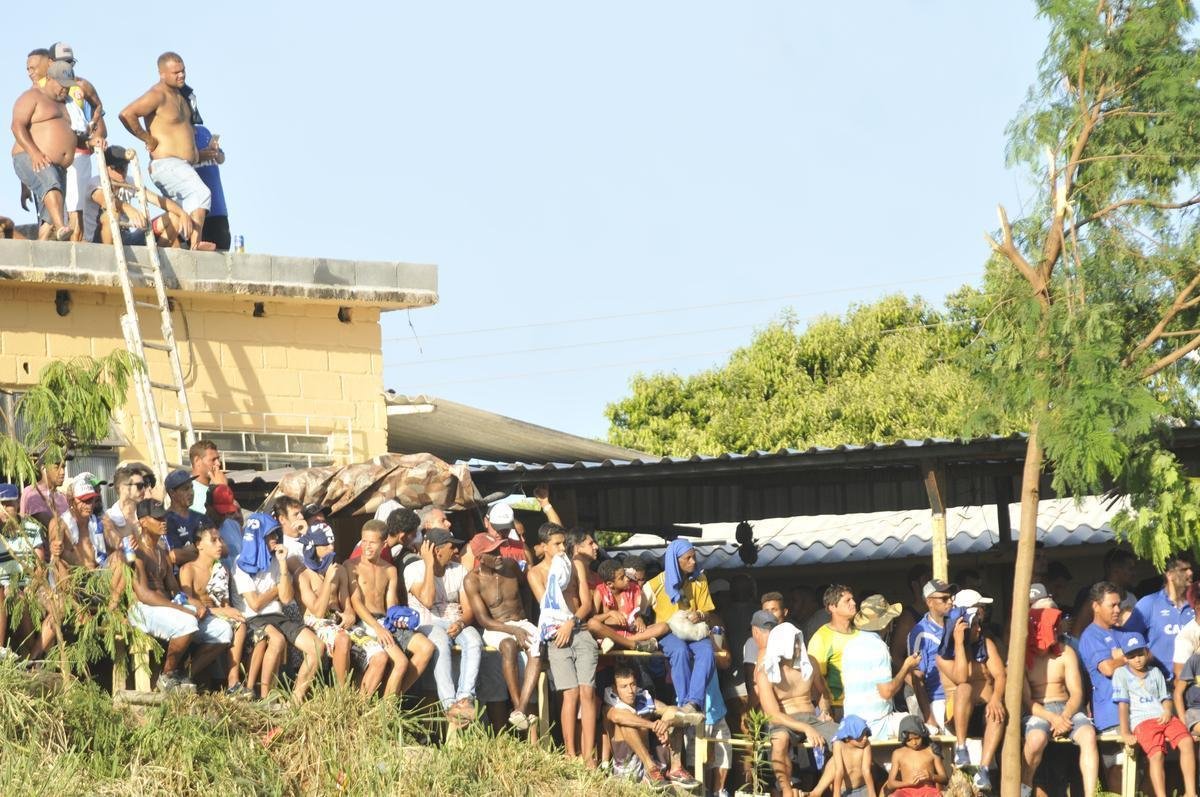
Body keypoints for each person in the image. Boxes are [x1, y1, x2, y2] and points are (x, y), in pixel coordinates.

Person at [118, 52, 210, 250]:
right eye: (176, 72)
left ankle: (176, 244)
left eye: (183, 70)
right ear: (162, 74)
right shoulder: (157, 94)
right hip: (167, 164)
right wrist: (147, 138)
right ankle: (196, 244)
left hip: (184, 166)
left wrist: (204, 154)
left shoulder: (183, 96)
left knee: (183, 209)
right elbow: (126, 114)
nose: (181, 75)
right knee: (202, 193)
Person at [232, 512, 321, 703]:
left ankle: (295, 700)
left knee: (317, 647)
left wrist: (282, 565)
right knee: (277, 639)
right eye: (270, 535)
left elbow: (287, 598)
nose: (275, 539)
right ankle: (266, 697)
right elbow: (255, 604)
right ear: (258, 536)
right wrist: (277, 589)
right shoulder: (241, 563)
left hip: (278, 615)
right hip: (254, 619)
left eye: (276, 535)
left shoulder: (276, 560)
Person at [529, 522, 599, 764]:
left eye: (562, 543)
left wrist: (572, 622)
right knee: (569, 694)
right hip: (556, 635)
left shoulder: (576, 564)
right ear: (543, 547)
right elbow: (546, 606)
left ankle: (589, 757)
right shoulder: (535, 573)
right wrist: (563, 625)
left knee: (587, 692)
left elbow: (586, 604)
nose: (561, 547)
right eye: (556, 544)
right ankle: (571, 755)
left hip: (578, 630)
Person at [463, 532, 542, 732]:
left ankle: (520, 709)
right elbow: (484, 620)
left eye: (499, 549)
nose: (499, 554)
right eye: (493, 552)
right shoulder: (472, 580)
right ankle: (518, 706)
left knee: (537, 645)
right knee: (509, 645)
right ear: (480, 558)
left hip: (522, 622)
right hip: (496, 627)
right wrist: (513, 630)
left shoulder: (511, 566)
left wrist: (527, 622)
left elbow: (526, 589)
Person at [348, 519, 434, 698]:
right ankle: (385, 712)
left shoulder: (390, 570)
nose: (367, 547)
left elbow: (391, 604)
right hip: (364, 622)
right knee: (401, 662)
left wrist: (399, 617)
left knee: (426, 647)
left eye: (372, 542)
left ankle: (390, 699)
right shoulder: (351, 566)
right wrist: (378, 628)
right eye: (364, 541)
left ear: (384, 543)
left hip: (384, 621)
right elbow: (356, 602)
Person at [404, 528, 481, 724]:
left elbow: (469, 609)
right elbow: (428, 601)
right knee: (440, 641)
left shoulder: (459, 569)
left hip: (455, 621)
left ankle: (465, 697)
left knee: (474, 640)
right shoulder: (413, 569)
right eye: (451, 546)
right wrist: (429, 565)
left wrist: (462, 622)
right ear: (436, 551)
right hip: (427, 623)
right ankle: (449, 703)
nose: (456, 550)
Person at [1022, 604, 1098, 797]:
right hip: (1038, 710)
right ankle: (1025, 786)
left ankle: (1090, 794)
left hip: (1067, 708)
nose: (1055, 634)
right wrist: (1052, 718)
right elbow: (1027, 701)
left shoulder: (1066, 652)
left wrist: (1064, 715)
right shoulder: (1022, 658)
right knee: (1036, 739)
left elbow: (1077, 693)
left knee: (1088, 735)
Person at [125, 499, 199, 691]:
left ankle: (182, 673)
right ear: (142, 521)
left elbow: (174, 588)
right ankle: (166, 675)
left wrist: (195, 605)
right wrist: (179, 608)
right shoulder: (136, 552)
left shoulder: (162, 549)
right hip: (141, 609)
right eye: (157, 518)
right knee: (187, 622)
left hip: (163, 606)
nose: (163, 521)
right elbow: (143, 594)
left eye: (164, 516)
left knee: (210, 624)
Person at [755, 620, 835, 797]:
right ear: (781, 645)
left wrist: (824, 712)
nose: (799, 646)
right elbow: (773, 715)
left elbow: (823, 693)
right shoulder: (766, 673)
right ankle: (786, 791)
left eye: (799, 641)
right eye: (794, 642)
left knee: (845, 740)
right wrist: (805, 728)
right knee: (779, 740)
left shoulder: (810, 663)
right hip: (784, 720)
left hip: (811, 717)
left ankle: (817, 791)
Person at [936, 589, 1005, 790]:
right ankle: (961, 747)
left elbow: (1001, 675)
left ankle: (984, 770)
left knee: (997, 713)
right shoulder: (944, 654)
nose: (978, 629)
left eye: (978, 624)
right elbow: (961, 677)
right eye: (974, 624)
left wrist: (996, 699)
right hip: (958, 715)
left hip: (987, 711)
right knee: (964, 688)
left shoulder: (987, 645)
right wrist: (959, 644)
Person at [1114, 633, 1197, 797]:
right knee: (1157, 754)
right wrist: (1125, 732)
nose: (1137, 659)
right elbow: (1123, 704)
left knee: (1187, 741)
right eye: (1131, 656)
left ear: (1146, 652)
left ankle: (1191, 792)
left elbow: (1166, 698)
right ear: (1125, 657)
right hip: (1142, 721)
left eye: (1140, 654)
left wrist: (1167, 710)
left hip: (1163, 717)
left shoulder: (1155, 672)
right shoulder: (1121, 674)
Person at [642, 538, 716, 721]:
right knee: (680, 651)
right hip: (668, 633)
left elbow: (708, 612)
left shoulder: (700, 579)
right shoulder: (654, 585)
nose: (693, 562)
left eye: (694, 557)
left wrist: (700, 615)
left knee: (707, 652)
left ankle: (693, 703)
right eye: (688, 558)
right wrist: (643, 627)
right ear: (675, 560)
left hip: (693, 631)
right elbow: (640, 613)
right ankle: (684, 703)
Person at [178, 524, 252, 696]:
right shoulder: (188, 569)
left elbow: (224, 602)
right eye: (213, 540)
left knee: (239, 623)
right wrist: (222, 612)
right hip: (198, 617)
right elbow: (188, 600)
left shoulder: (222, 569)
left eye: (220, 539)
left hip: (217, 615)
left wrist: (228, 611)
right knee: (226, 629)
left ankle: (233, 682)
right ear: (199, 545)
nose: (220, 544)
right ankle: (186, 674)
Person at [603, 663, 700, 790]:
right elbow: (617, 717)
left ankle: (675, 769)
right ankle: (651, 769)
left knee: (672, 714)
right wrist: (652, 725)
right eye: (624, 686)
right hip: (627, 767)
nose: (630, 691)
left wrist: (666, 724)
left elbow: (671, 710)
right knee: (627, 724)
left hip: (652, 760)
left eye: (632, 684)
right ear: (615, 689)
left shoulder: (642, 697)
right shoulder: (610, 705)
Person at [45, 42, 106, 242]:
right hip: (51, 158)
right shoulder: (40, 89)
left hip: (79, 154)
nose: (68, 66)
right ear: (51, 63)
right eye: (63, 62)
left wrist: (93, 128)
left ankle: (76, 255)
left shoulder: (81, 85)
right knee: (53, 215)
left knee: (76, 211)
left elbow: (99, 108)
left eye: (71, 62)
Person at [11, 60, 76, 241]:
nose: (65, 90)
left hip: (57, 165)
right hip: (32, 157)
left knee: (49, 211)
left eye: (68, 86)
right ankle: (62, 226)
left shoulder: (66, 104)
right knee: (51, 184)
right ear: (48, 78)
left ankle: (41, 245)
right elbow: (17, 126)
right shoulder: (32, 97)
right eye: (62, 85)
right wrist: (35, 153)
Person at [842, 594, 919, 739]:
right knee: (921, 727)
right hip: (877, 726)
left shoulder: (850, 645)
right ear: (887, 623)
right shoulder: (879, 647)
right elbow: (887, 692)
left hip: (851, 725)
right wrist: (906, 666)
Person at [88, 145, 187, 246]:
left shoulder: (129, 182)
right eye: (117, 168)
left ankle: (158, 257)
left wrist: (182, 214)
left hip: (126, 237)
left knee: (174, 218)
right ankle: (108, 257)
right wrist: (128, 208)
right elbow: (105, 201)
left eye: (124, 167)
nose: (122, 172)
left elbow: (156, 199)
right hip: (98, 240)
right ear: (106, 168)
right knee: (111, 215)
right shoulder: (95, 183)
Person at [294, 522, 354, 689]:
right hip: (314, 623)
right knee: (342, 638)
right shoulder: (303, 576)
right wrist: (327, 580)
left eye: (332, 542)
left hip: (338, 621)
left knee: (378, 650)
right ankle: (342, 695)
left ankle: (362, 696)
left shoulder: (340, 570)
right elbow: (318, 612)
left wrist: (350, 614)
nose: (331, 547)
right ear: (313, 547)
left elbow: (346, 603)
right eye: (326, 544)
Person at [1125, 553, 1194, 680]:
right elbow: (1127, 637)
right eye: (1184, 570)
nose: (1190, 573)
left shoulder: (1196, 605)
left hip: (1193, 685)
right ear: (1169, 575)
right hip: (1160, 684)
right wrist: (1146, 656)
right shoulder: (1149, 603)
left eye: (1190, 569)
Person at [907, 579, 956, 730]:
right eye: (944, 598)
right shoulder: (920, 632)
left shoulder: (956, 623)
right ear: (929, 602)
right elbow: (917, 678)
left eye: (951, 597)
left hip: (961, 696)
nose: (950, 602)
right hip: (938, 700)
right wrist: (929, 718)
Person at [588, 558, 664, 653]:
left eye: (625, 575)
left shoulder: (633, 589)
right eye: (622, 578)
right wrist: (609, 613)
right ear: (610, 584)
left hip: (629, 634)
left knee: (664, 627)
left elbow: (635, 613)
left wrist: (639, 618)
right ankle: (634, 645)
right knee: (592, 624)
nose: (627, 579)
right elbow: (593, 619)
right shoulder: (599, 591)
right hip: (610, 632)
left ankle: (619, 642)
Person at [808, 584, 860, 712]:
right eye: (847, 600)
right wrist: (826, 711)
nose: (853, 603)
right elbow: (815, 679)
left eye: (852, 599)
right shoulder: (821, 637)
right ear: (832, 607)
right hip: (838, 707)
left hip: (863, 703)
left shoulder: (861, 634)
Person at [1071, 549, 1139, 637]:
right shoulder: (1096, 597)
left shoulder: (1132, 598)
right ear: (1115, 570)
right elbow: (1077, 632)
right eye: (1130, 569)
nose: (1134, 573)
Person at [885, 715, 947, 797]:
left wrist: (931, 776)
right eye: (909, 740)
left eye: (917, 738)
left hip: (928, 790)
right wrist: (907, 783)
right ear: (903, 739)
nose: (914, 742)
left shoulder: (931, 751)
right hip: (905, 791)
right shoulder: (898, 753)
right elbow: (890, 784)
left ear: (922, 735)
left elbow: (945, 779)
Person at [57, 472, 105, 569]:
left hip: (96, 577)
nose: (89, 505)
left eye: (91, 500)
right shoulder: (61, 524)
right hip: (72, 578)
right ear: (71, 501)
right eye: (84, 500)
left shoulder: (98, 522)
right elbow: (56, 560)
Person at [163, 469, 202, 569]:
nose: (191, 493)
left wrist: (190, 551)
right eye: (185, 489)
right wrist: (203, 553)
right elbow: (175, 556)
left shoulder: (201, 517)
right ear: (172, 493)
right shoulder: (167, 521)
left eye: (191, 488)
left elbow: (221, 548)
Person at [830, 715, 876, 797]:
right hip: (845, 790)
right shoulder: (838, 745)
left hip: (862, 787)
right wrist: (836, 794)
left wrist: (872, 794)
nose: (865, 738)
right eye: (861, 735)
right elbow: (839, 771)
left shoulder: (866, 744)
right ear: (848, 737)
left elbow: (866, 770)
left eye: (866, 734)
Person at [19, 458, 68, 531]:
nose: (62, 472)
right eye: (57, 467)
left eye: (63, 467)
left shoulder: (62, 497)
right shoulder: (32, 492)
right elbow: (49, 525)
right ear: (43, 469)